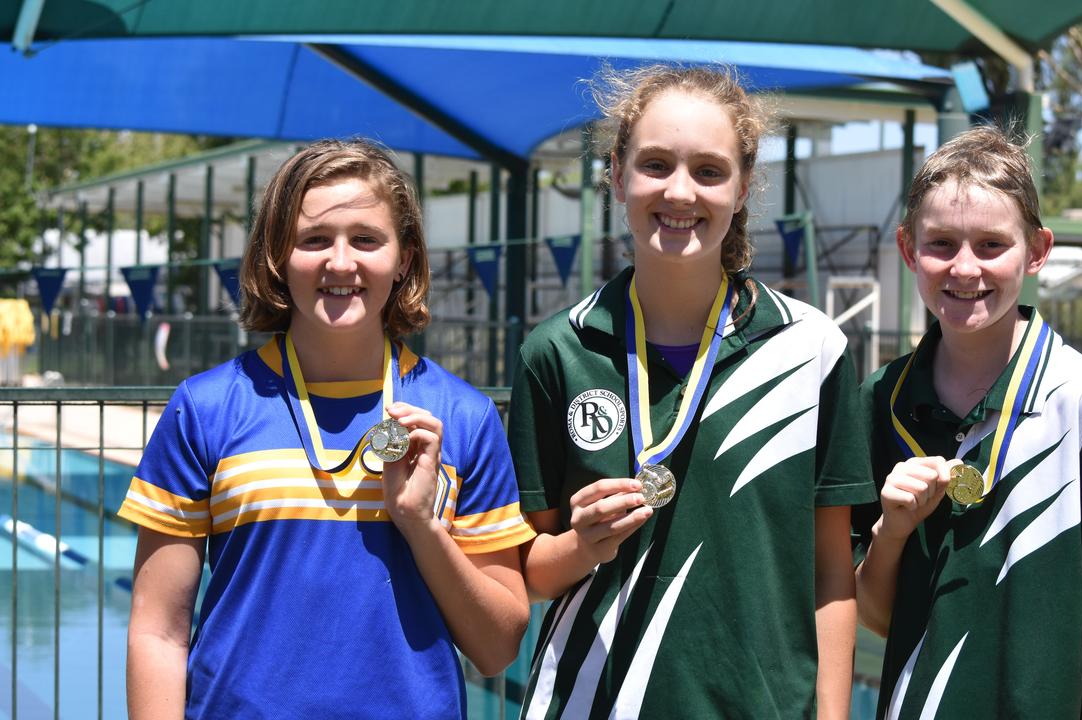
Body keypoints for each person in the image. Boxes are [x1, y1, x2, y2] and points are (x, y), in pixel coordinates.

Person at [120, 139, 535, 719]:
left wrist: (420, 524)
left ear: (405, 258)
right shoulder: (206, 409)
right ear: (277, 257)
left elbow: (497, 649)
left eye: (366, 239)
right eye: (314, 240)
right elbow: (158, 633)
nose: (341, 262)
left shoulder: (462, 417)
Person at [508, 64, 874, 719]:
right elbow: (526, 571)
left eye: (708, 170)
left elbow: (831, 577)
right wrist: (581, 545)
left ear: (742, 188)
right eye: (655, 165)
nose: (679, 192)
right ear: (617, 175)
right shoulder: (556, 352)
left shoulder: (812, 350)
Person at [852, 126, 1082, 719]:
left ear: (1037, 251)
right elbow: (876, 617)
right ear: (909, 249)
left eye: (992, 244)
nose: (965, 269)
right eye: (941, 243)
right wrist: (891, 532)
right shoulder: (880, 399)